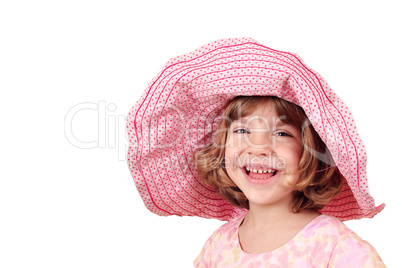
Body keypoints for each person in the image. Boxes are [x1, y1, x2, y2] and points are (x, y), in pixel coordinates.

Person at [126, 38, 385, 267]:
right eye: (241, 131)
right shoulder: (217, 247)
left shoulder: (335, 248)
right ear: (221, 149)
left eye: (281, 133)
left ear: (312, 154)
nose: (258, 147)